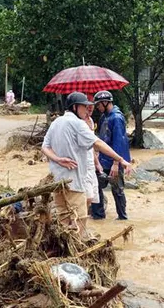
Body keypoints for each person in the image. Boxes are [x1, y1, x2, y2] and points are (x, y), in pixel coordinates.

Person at [41, 92, 132, 234]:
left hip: (57, 181)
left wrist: (57, 159)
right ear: (75, 107)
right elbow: (98, 143)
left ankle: (64, 253)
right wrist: (120, 159)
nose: (87, 110)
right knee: (80, 221)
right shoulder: (78, 124)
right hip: (74, 182)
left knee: (63, 220)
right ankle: (77, 252)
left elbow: (44, 147)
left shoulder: (56, 122)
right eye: (84, 106)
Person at [92, 90, 131, 220]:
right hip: (103, 159)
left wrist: (116, 163)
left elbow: (119, 142)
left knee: (117, 189)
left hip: (114, 161)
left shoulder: (117, 118)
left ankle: (122, 216)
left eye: (98, 105)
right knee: (96, 185)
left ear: (105, 102)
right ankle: (98, 216)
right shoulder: (105, 117)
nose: (97, 107)